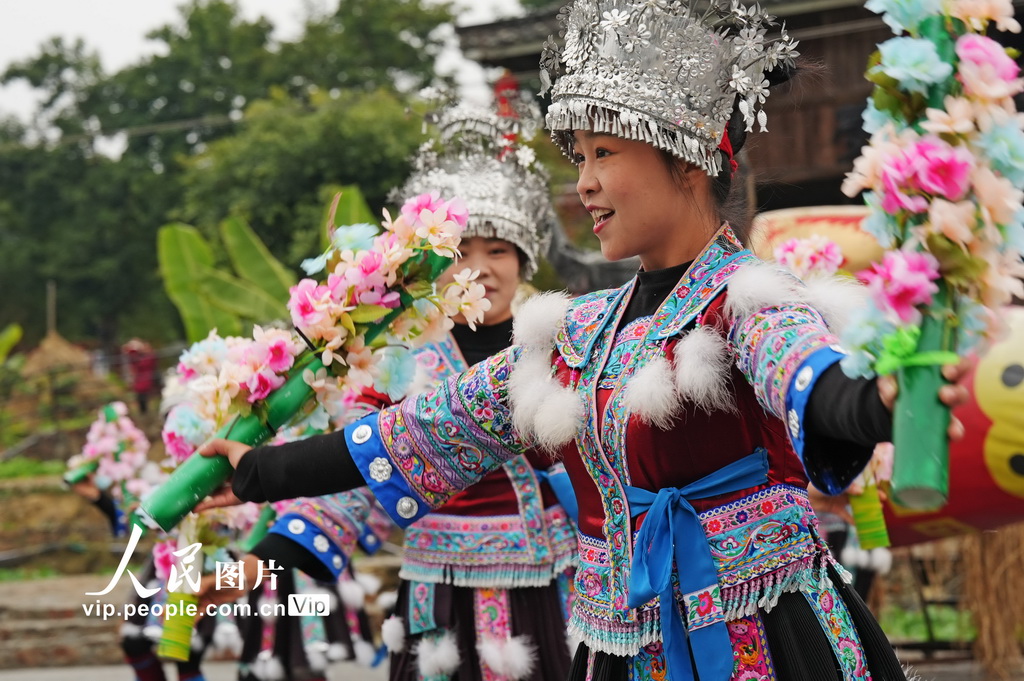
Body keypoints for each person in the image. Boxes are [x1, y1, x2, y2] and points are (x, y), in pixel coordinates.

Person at [197, 2, 970, 679]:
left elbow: (810, 378)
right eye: (580, 159)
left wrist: (876, 401)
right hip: (615, 647)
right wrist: (259, 469)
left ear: (689, 157)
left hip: (760, 639)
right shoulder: (574, 332)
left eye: (605, 154)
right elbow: (421, 432)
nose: (586, 183)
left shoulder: (750, 301)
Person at [198, 97, 578, 681]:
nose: (479, 269)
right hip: (438, 602)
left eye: (498, 250)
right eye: (462, 254)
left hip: (550, 589)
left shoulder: (561, 346)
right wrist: (252, 565)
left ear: (524, 264)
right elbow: (355, 478)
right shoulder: (404, 364)